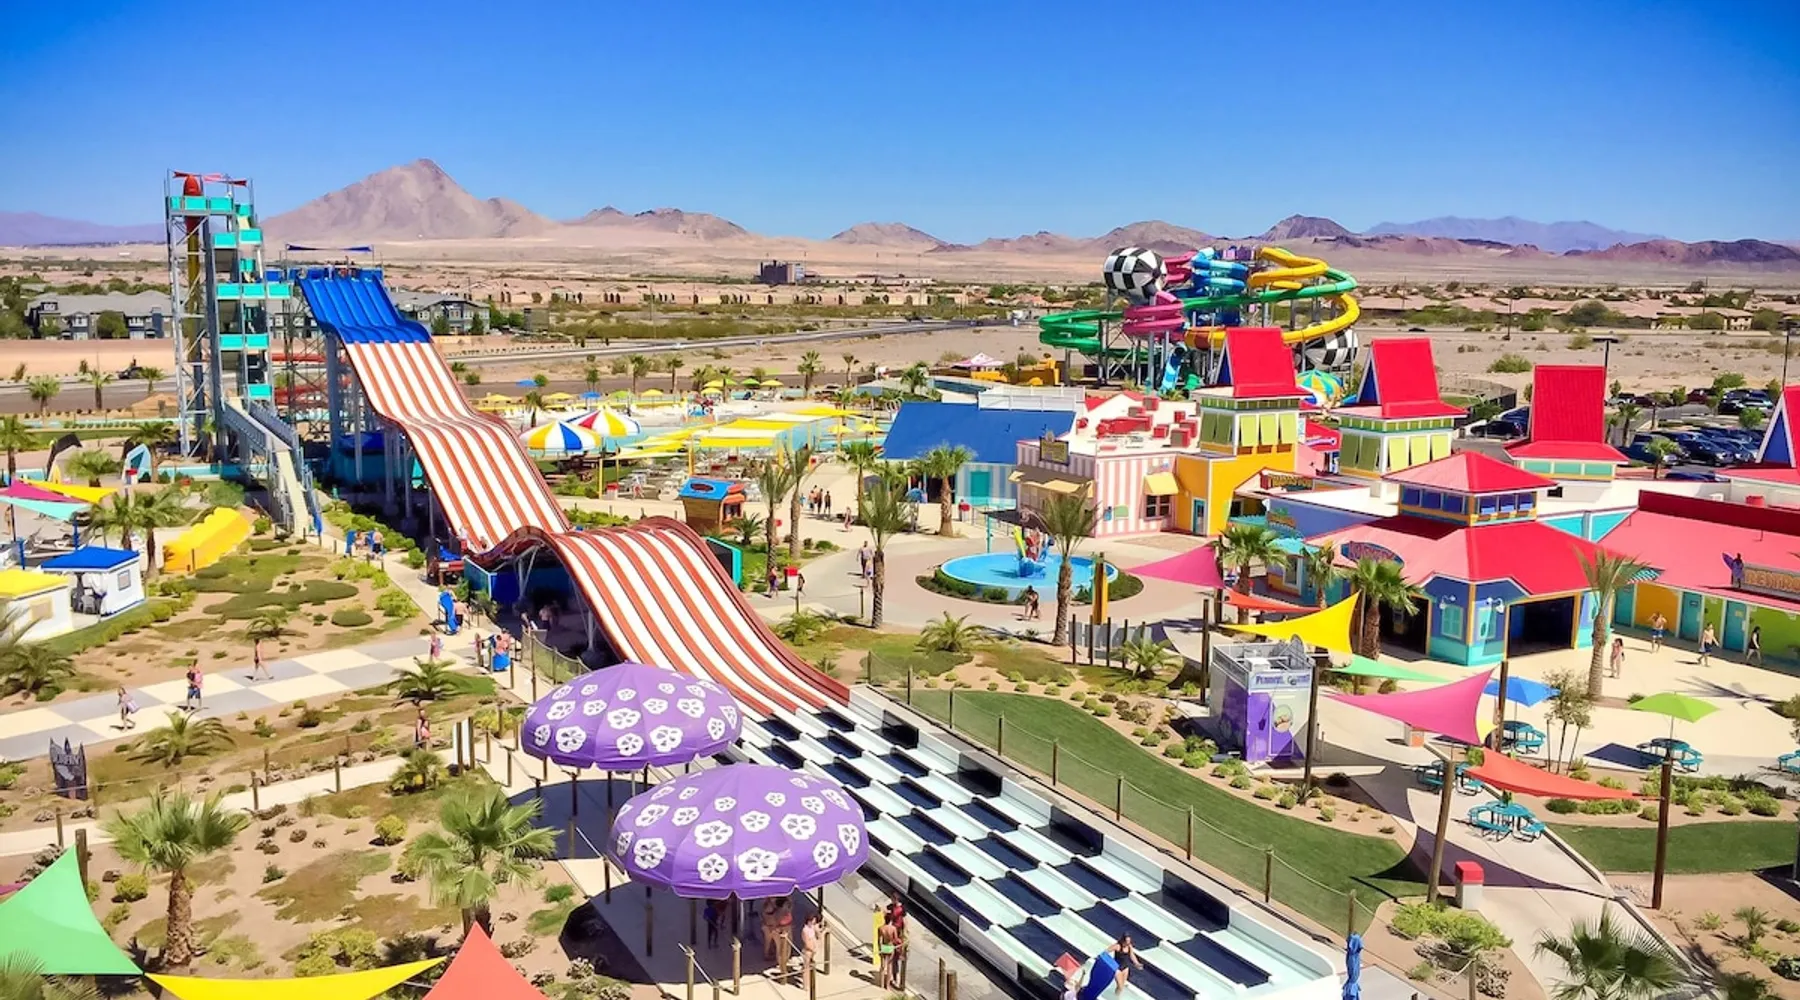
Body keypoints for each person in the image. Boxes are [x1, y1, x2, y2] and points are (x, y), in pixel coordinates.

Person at [1077, 937, 1143, 1000]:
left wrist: (1137, 963)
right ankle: (1115, 997)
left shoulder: (1129, 946)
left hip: (1125, 967)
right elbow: (1106, 951)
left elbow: (1132, 955)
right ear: (1123, 941)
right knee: (1120, 986)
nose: (1127, 943)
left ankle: (1117, 996)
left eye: (1128, 942)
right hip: (1117, 968)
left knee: (1121, 987)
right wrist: (1099, 957)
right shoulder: (1117, 946)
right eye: (1126, 942)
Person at [877, 914, 901, 990]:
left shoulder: (881, 928)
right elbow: (895, 939)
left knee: (882, 966)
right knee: (889, 967)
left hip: (883, 947)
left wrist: (879, 949)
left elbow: (879, 940)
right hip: (890, 947)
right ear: (891, 920)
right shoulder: (893, 928)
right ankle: (887, 986)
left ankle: (881, 984)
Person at [800, 912, 820, 977]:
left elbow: (817, 936)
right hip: (808, 950)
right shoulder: (805, 930)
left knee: (809, 964)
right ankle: (805, 980)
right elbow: (807, 943)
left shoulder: (812, 927)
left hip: (813, 949)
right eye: (811, 921)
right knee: (806, 966)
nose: (813, 923)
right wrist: (812, 949)